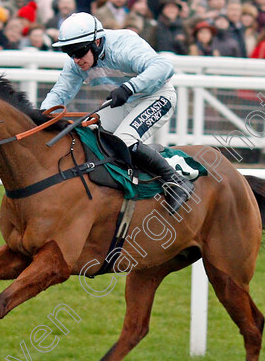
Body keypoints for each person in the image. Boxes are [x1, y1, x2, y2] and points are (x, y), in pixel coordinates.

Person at [40, 12, 193, 214]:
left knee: (124, 139)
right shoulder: (76, 62)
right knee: (87, 133)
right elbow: (60, 93)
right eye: (70, 53)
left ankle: (177, 181)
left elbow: (163, 66)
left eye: (79, 51)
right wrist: (40, 117)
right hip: (125, 101)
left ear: (96, 41)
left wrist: (129, 87)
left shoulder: (123, 45)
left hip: (157, 96)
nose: (76, 59)